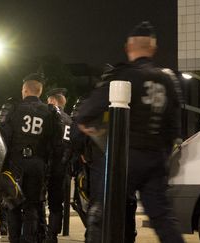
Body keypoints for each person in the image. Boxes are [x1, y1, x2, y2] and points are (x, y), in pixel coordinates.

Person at [76, 21, 185, 243]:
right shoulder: (169, 80)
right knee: (163, 219)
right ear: (153, 49)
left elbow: (87, 111)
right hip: (157, 159)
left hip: (125, 158)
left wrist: (91, 129)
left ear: (128, 47)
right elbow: (174, 127)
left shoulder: (125, 75)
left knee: (101, 214)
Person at [0, 73, 58, 243]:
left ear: (24, 90)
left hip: (15, 163)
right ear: (40, 91)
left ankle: (15, 240)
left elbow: (1, 138)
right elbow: (54, 142)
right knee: (32, 205)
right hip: (38, 164)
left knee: (13, 205)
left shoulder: (13, 108)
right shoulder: (50, 112)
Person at [45, 88, 73, 243]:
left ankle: (41, 231)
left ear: (53, 101)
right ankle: (53, 234)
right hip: (63, 167)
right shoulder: (70, 120)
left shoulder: (50, 118)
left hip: (49, 163)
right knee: (57, 204)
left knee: (39, 199)